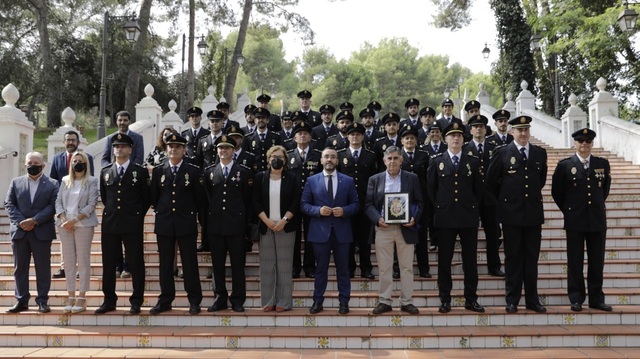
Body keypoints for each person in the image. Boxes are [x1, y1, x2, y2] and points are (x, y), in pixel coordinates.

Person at [486, 115, 548, 314]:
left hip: (533, 213)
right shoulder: (503, 153)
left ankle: (532, 299)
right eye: (519, 130)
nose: (523, 133)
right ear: (512, 132)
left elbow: (541, 180)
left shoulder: (539, 153)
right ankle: (512, 299)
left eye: (526, 130)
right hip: (511, 215)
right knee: (513, 258)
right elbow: (490, 182)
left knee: (531, 257)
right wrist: (505, 202)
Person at [551, 128, 613, 312]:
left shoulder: (602, 164)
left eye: (587, 141)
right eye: (580, 141)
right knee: (575, 261)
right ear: (575, 143)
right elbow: (557, 193)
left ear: (592, 143)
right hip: (575, 220)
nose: (584, 144)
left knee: (596, 261)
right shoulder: (564, 165)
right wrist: (570, 211)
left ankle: (596, 298)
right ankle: (576, 298)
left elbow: (604, 190)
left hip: (596, 219)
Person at [427, 119, 484, 314]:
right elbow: (431, 191)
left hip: (468, 217)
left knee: (470, 261)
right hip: (445, 218)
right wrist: (442, 207)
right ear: (445, 139)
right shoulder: (436, 162)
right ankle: (445, 299)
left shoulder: (473, 162)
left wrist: (471, 207)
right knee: (444, 261)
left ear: (463, 139)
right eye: (452, 136)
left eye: (459, 135)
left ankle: (471, 298)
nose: (456, 138)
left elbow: (479, 190)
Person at [96, 133, 150, 314]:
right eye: (116, 146)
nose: (119, 149)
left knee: (135, 262)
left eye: (123, 146)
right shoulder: (105, 171)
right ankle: (109, 299)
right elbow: (105, 197)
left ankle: (137, 300)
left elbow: (146, 199)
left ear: (130, 149)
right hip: (110, 222)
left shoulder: (139, 172)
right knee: (109, 263)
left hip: (132, 222)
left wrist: (136, 215)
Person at [149, 133, 204, 315]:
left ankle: (194, 300)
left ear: (184, 149)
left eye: (178, 146)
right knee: (165, 263)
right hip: (164, 222)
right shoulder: (159, 170)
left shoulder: (193, 170)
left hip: (185, 221)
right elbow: (155, 198)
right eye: (170, 146)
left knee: (189, 262)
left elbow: (199, 199)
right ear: (166, 149)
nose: (174, 149)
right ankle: (165, 299)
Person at [301, 148, 360, 315]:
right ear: (321, 160)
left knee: (343, 270)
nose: (329, 160)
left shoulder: (347, 181)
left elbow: (356, 204)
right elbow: (304, 204)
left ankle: (344, 302)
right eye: (326, 157)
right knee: (320, 270)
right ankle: (318, 301)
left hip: (342, 232)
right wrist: (318, 210)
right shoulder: (311, 181)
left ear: (337, 161)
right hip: (320, 233)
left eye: (333, 157)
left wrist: (345, 210)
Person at [364, 146, 422, 315]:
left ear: (401, 160)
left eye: (396, 158)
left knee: (406, 267)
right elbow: (368, 205)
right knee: (384, 267)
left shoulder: (412, 178)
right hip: (384, 228)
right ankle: (384, 300)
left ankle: (407, 301)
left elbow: (420, 202)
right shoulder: (375, 179)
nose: (392, 162)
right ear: (384, 160)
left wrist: (414, 217)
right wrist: (377, 218)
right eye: (389, 158)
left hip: (406, 228)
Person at [4, 152, 59, 313]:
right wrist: (21, 221)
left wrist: (34, 220)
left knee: (43, 267)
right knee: (19, 267)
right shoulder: (15, 182)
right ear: (25, 164)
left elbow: (53, 206)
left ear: (42, 166)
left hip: (41, 231)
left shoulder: (53, 184)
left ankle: (42, 300)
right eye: (29, 162)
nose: (32, 165)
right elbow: (9, 204)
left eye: (36, 163)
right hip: (20, 232)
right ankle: (21, 300)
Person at [204, 135, 253, 313]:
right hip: (216, 225)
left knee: (238, 264)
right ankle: (220, 298)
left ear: (233, 151)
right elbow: (207, 198)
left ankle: (238, 299)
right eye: (221, 148)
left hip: (236, 225)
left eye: (227, 148)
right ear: (217, 151)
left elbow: (247, 199)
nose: (223, 151)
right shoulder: (210, 171)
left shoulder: (244, 171)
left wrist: (245, 223)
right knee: (217, 264)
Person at [253, 145, 301, 312]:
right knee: (267, 265)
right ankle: (268, 301)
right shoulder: (260, 178)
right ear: (268, 159)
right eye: (273, 156)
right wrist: (267, 221)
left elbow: (296, 201)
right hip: (266, 226)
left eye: (280, 156)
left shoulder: (292, 178)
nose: (276, 159)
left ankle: (284, 302)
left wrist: (283, 220)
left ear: (285, 160)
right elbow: (255, 201)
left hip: (285, 227)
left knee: (284, 265)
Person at [54, 150, 99, 314]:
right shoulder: (65, 180)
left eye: (80, 161)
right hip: (64, 225)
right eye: (74, 161)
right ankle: (71, 295)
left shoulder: (92, 181)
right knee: (69, 262)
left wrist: (74, 220)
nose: (76, 164)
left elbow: (92, 203)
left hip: (84, 224)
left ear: (85, 164)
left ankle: (82, 296)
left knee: (83, 260)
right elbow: (58, 201)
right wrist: (65, 219)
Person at [49, 130, 95, 279]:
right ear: (64, 142)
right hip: (64, 207)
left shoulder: (86, 159)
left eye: (73, 140)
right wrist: (59, 210)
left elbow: (90, 179)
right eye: (68, 140)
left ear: (78, 142)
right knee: (66, 243)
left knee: (81, 247)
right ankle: (64, 266)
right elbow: (54, 181)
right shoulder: (57, 158)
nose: (70, 142)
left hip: (81, 208)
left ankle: (79, 270)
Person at [462, 115, 504, 277]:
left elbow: (501, 172)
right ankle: (469, 266)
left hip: (490, 197)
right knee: (470, 234)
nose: (479, 129)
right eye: (475, 126)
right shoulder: (465, 149)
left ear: (486, 130)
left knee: (493, 234)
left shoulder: (496, 148)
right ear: (470, 130)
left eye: (481, 126)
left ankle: (494, 266)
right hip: (471, 197)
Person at [337, 123, 378, 279]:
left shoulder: (371, 155)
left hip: (365, 202)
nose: (355, 137)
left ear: (363, 136)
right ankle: (349, 268)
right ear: (347, 137)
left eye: (358, 134)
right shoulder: (340, 155)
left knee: (365, 239)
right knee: (347, 238)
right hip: (346, 204)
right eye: (352, 134)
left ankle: (366, 268)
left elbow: (375, 179)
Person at [287, 122, 323, 278]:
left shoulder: (318, 155)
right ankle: (295, 267)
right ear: (294, 137)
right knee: (293, 236)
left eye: (305, 133)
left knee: (311, 235)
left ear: (310, 137)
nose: (302, 135)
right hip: (293, 202)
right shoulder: (288, 155)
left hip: (312, 201)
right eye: (299, 133)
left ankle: (309, 266)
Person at [243, 107, 283, 173]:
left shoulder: (276, 137)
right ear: (255, 120)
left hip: (271, 173)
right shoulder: (248, 138)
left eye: (263, 118)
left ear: (267, 120)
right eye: (258, 118)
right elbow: (246, 158)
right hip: (254, 174)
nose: (261, 120)